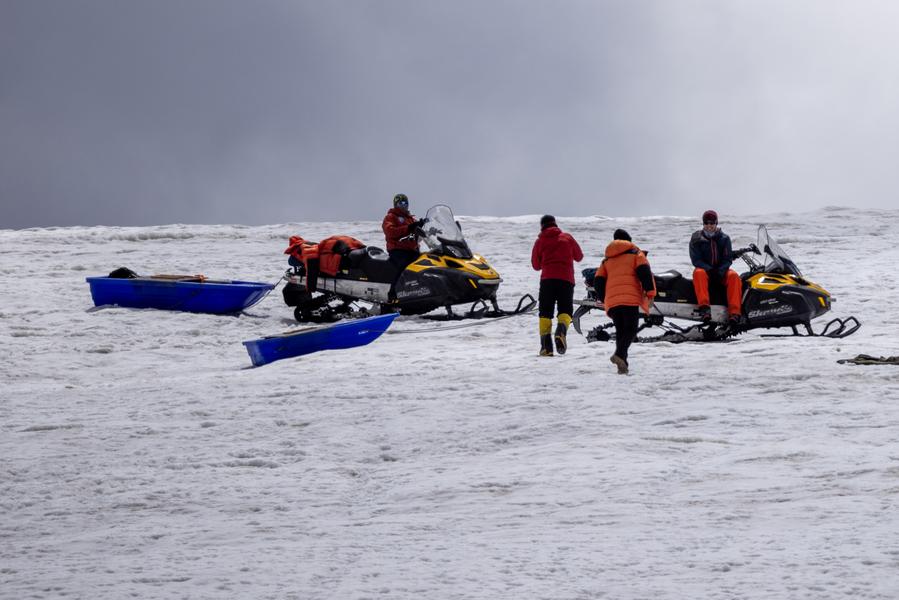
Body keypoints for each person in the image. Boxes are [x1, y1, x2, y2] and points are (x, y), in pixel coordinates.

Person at [593, 229, 656, 375]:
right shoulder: (635, 253)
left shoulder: (606, 260)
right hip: (629, 298)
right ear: (629, 240)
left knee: (621, 331)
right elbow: (644, 272)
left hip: (613, 300)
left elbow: (598, 281)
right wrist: (650, 293)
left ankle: (623, 365)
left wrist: (605, 298)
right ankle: (619, 355)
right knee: (631, 329)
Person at [531, 215, 583, 356]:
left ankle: (546, 348)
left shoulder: (540, 241)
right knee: (565, 310)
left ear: (542, 226)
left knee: (545, 313)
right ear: (555, 224)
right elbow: (579, 256)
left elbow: (535, 265)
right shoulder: (567, 238)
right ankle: (561, 331)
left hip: (547, 280)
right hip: (566, 280)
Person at [689, 209, 742, 325]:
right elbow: (696, 259)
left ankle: (734, 313)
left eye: (712, 223)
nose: (709, 226)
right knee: (698, 273)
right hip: (705, 270)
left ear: (716, 223)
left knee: (733, 276)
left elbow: (727, 259)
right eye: (706, 223)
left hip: (721, 272)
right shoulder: (696, 238)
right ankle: (705, 310)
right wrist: (709, 270)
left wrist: (720, 271)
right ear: (703, 223)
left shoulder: (725, 238)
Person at [382, 194, 424, 270]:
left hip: (412, 251)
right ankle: (397, 278)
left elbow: (417, 231)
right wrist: (409, 228)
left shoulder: (411, 219)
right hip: (398, 251)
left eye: (405, 203)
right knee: (407, 269)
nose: (403, 205)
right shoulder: (391, 217)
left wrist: (428, 229)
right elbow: (390, 231)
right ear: (395, 205)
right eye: (400, 203)